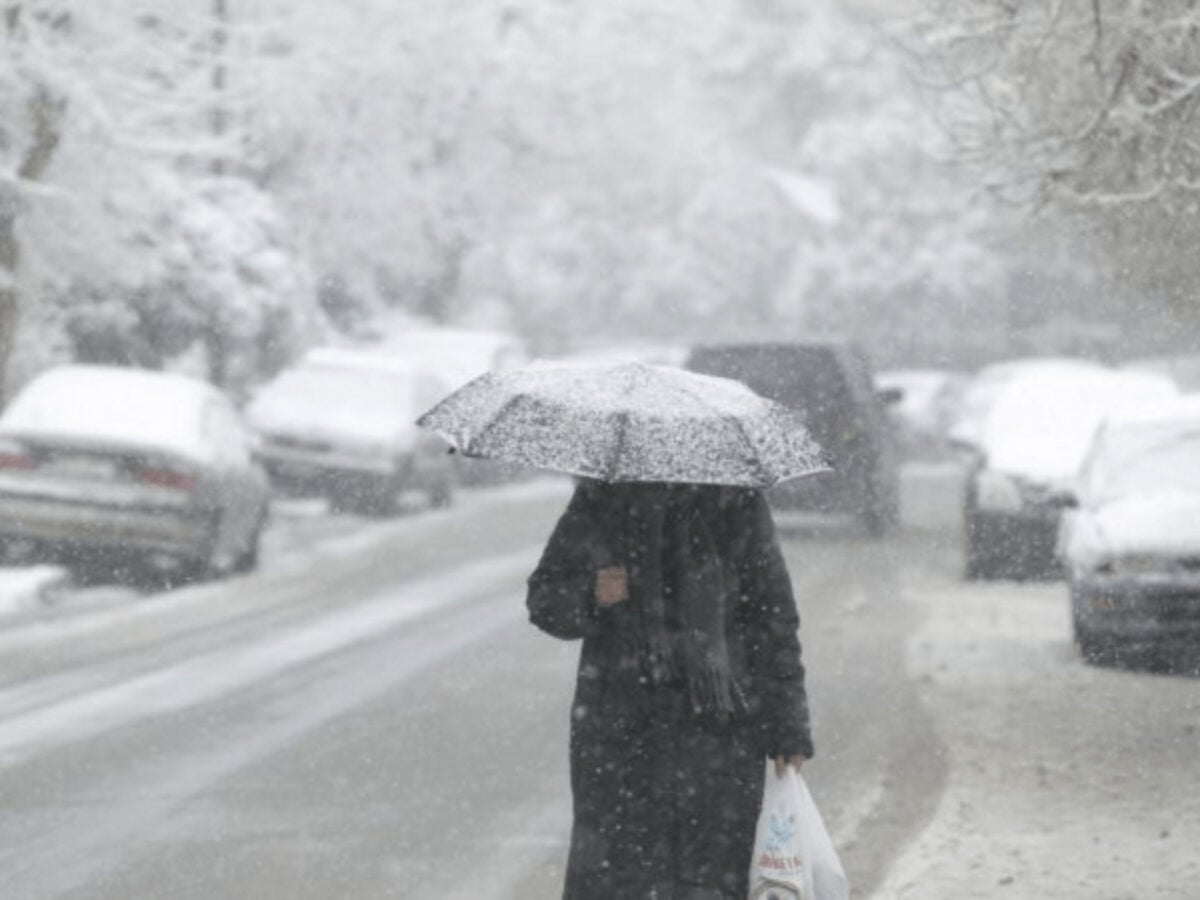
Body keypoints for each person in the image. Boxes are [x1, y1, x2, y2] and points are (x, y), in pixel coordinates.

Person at [526, 479, 814, 900]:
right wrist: (592, 593)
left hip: (719, 737)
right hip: (621, 739)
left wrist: (788, 725)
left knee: (710, 879)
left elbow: (773, 619)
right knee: (621, 880)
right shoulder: (603, 498)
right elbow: (545, 599)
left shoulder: (735, 499)